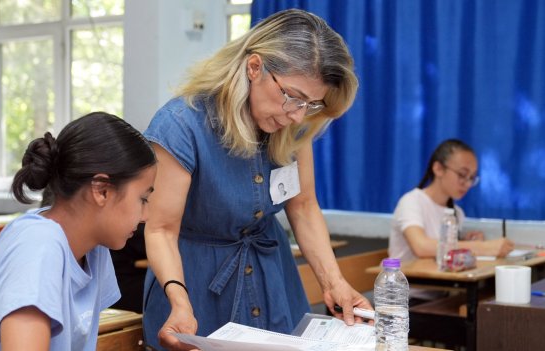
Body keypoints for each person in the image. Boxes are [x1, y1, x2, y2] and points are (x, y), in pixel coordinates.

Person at [141, 9, 372, 350]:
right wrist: (179, 300)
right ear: (254, 67)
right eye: (292, 96)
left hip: (272, 278)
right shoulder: (181, 125)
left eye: (310, 104)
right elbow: (160, 229)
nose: (296, 114)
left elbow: (304, 206)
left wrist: (334, 282)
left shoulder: (293, 125)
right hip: (194, 286)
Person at [0, 112, 157, 350]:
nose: (145, 216)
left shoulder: (95, 248)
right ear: (101, 191)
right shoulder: (38, 245)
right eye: (143, 199)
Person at [389, 139, 514, 301]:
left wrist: (464, 244)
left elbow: (444, 253)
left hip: (440, 294)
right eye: (462, 175)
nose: (467, 184)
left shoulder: (456, 212)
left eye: (472, 178)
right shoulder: (412, 201)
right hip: (405, 300)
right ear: (438, 168)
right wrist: (484, 247)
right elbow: (421, 246)